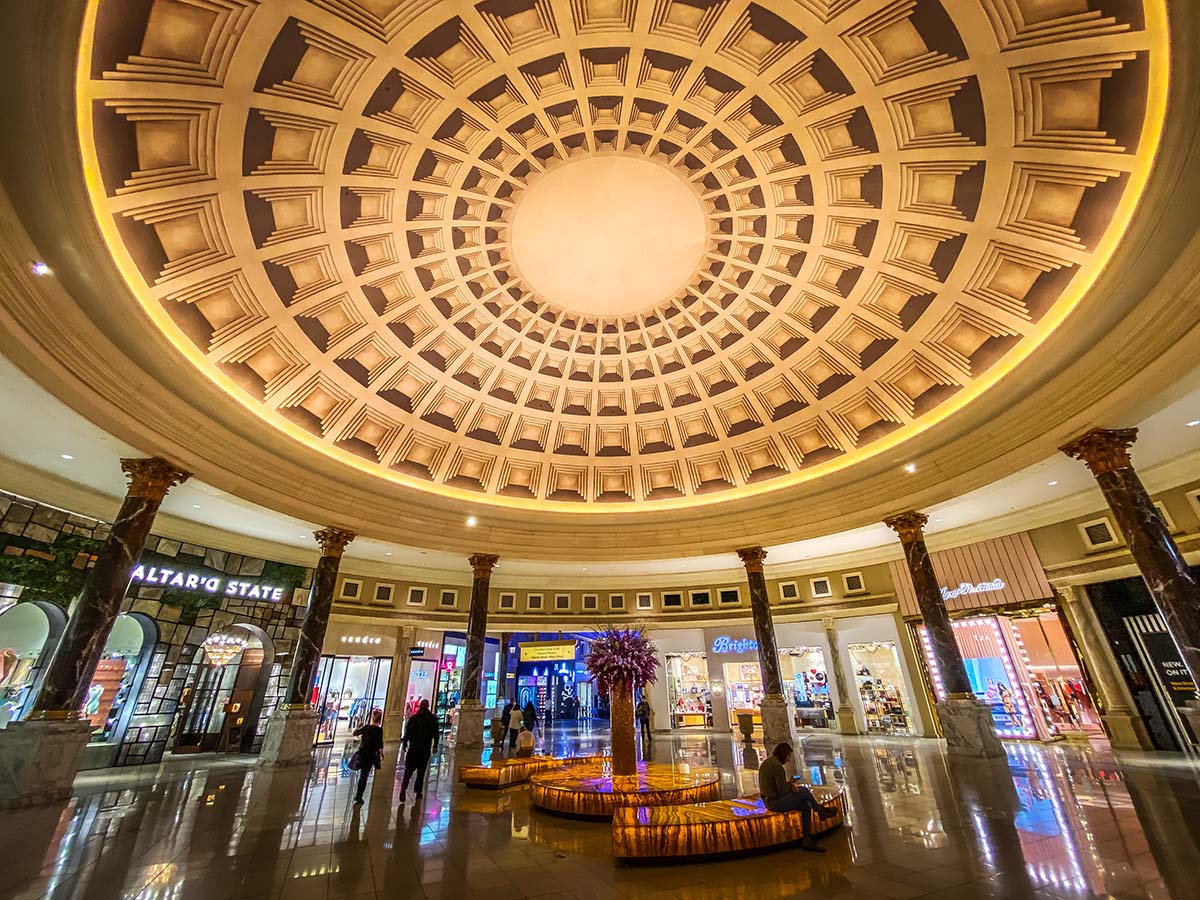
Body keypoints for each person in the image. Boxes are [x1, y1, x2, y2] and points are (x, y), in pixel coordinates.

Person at [757, 742, 838, 852]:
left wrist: (789, 785)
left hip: (768, 799)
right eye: (788, 756)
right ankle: (820, 812)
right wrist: (791, 785)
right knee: (804, 791)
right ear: (783, 755)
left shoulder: (768, 762)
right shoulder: (777, 767)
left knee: (806, 805)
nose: (789, 759)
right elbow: (782, 791)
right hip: (774, 802)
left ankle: (807, 840)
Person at [400, 699, 440, 799]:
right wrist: (435, 745)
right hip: (424, 749)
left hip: (414, 749)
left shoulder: (413, 719)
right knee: (421, 772)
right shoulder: (432, 719)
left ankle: (403, 789)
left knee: (408, 771)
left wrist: (405, 743)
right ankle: (418, 791)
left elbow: (407, 733)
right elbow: (436, 734)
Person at [351, 708, 384, 805]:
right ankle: (359, 796)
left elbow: (355, 733)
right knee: (364, 775)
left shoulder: (366, 727)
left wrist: (358, 727)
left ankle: (358, 795)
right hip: (371, 754)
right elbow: (379, 744)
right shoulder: (379, 730)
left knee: (362, 774)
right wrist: (381, 753)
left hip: (362, 753)